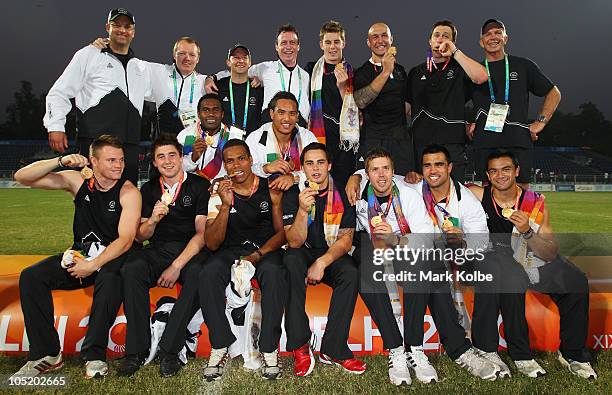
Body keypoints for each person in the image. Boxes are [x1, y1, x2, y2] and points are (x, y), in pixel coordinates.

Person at [353, 148, 499, 385]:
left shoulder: (408, 194)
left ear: (394, 172)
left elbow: (423, 237)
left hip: (403, 246)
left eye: (386, 169)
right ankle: (396, 349)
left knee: (428, 265)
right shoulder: (357, 192)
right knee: (364, 270)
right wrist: (354, 176)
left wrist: (395, 240)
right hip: (372, 251)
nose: (381, 175)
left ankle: (416, 348)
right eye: (374, 170)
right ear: (367, 174)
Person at [12, 135, 141, 379]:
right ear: (93, 160)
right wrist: (59, 161)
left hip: (111, 257)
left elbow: (125, 240)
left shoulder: (128, 192)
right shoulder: (77, 181)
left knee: (110, 278)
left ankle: (94, 355)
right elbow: (22, 177)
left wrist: (93, 266)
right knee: (31, 277)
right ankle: (47, 353)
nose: (119, 165)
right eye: (111, 160)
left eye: (121, 160)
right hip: (80, 254)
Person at [468, 150, 597, 379]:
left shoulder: (534, 203)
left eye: (506, 169)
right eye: (494, 171)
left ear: (516, 171)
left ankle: (573, 353)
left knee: (576, 281)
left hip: (533, 256)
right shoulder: (478, 195)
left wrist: (527, 231)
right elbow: (446, 186)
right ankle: (521, 355)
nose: (500, 175)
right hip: (500, 262)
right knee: (510, 276)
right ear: (487, 175)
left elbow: (549, 252)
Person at [117, 135, 211, 378]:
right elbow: (139, 236)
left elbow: (202, 234)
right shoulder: (148, 189)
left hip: (190, 251)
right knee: (132, 268)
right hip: (158, 249)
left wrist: (177, 266)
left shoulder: (199, 186)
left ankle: (171, 348)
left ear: (181, 157)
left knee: (199, 274)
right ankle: (136, 350)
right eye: (161, 157)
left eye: (172, 155)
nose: (167, 161)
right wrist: (153, 220)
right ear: (155, 162)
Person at [200, 139, 287, 381]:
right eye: (229, 161)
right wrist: (226, 207)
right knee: (208, 273)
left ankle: (269, 348)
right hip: (231, 251)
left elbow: (282, 233)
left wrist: (257, 256)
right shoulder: (219, 194)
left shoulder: (270, 189)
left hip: (264, 251)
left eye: (241, 158)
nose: (236, 165)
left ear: (250, 160)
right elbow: (211, 243)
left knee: (274, 274)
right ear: (224, 165)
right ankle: (220, 344)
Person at [282, 142, 366, 377]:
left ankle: (334, 348)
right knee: (290, 261)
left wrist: (322, 263)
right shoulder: (293, 193)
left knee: (350, 272)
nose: (316, 169)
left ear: (329, 165)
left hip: (329, 252)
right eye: (309, 163)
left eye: (321, 162)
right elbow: (294, 241)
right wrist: (301, 210)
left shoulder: (341, 192)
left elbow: (346, 241)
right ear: (303, 167)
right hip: (302, 249)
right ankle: (299, 344)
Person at [44, 9, 150, 184]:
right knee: (91, 200)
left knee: (128, 200)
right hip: (95, 143)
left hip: (128, 147)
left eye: (127, 26)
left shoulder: (140, 67)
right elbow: (59, 91)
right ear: (107, 27)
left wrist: (207, 80)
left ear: (134, 31)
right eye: (116, 25)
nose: (122, 30)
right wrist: (55, 125)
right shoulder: (89, 54)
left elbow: (170, 80)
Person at [468, 19, 561, 187]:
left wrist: (540, 122)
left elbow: (553, 93)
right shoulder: (475, 71)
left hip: (517, 140)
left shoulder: (523, 66)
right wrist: (467, 123)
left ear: (505, 38)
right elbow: (454, 100)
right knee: (489, 196)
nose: (493, 37)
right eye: (488, 34)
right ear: (481, 42)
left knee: (522, 194)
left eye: (498, 33)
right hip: (486, 142)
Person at [407, 20, 488, 183]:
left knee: (454, 197)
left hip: (453, 145)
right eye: (437, 35)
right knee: (423, 200)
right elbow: (406, 108)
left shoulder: (460, 69)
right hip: (422, 146)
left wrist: (455, 52)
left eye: (446, 36)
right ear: (430, 41)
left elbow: (482, 77)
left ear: (452, 42)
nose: (440, 38)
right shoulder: (416, 72)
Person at [207, 24, 310, 126]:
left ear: (298, 46)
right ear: (276, 46)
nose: (288, 47)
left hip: (299, 128)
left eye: (292, 42)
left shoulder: (306, 76)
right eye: (283, 43)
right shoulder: (265, 68)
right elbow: (236, 72)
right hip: (271, 128)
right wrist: (212, 78)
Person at [353, 23, 414, 178]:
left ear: (391, 39)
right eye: (375, 37)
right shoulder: (362, 72)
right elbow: (360, 101)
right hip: (374, 140)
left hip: (400, 142)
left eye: (384, 36)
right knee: (372, 188)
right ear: (368, 43)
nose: (380, 40)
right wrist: (386, 71)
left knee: (404, 187)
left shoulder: (400, 71)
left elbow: (406, 105)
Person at [306, 20, 359, 185]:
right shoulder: (310, 69)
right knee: (318, 188)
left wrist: (343, 87)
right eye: (328, 42)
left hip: (344, 142)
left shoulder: (353, 73)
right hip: (319, 137)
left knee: (343, 189)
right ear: (321, 44)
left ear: (344, 43)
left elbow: (358, 111)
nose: (333, 47)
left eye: (337, 42)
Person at [245, 91, 317, 191]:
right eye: (281, 113)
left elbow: (318, 169)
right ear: (271, 114)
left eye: (292, 113)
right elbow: (245, 171)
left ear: (297, 116)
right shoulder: (255, 138)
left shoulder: (307, 137)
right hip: (266, 197)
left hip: (302, 195)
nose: (287, 119)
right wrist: (266, 168)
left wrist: (293, 177)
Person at [177, 94, 245, 180]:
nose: (211, 114)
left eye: (216, 110)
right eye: (206, 110)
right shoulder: (185, 135)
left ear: (222, 114)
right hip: (191, 189)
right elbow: (176, 169)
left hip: (222, 188)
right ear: (198, 114)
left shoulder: (234, 137)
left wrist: (223, 180)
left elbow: (241, 169)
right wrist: (193, 158)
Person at [216, 44, 264, 135]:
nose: (241, 61)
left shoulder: (257, 87)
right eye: (236, 57)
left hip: (252, 142)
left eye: (244, 57)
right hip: (224, 141)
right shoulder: (219, 86)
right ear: (228, 62)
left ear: (250, 62)